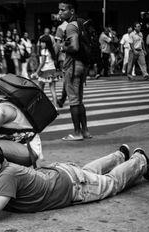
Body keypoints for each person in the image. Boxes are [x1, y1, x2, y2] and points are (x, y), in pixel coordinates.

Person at [0, 138, 149, 225]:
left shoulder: (7, 175)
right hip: (60, 173)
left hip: (74, 186)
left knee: (111, 184)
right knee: (88, 171)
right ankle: (118, 156)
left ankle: (139, 160)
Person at [58, 0, 91, 141]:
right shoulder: (80, 23)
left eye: (63, 10)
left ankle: (77, 133)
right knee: (79, 100)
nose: (60, 12)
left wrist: (62, 47)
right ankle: (85, 131)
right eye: (59, 10)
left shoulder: (71, 26)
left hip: (72, 66)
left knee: (73, 101)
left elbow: (75, 47)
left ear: (71, 11)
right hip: (82, 65)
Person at [32, 35, 59, 109]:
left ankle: (40, 106)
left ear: (47, 43)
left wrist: (36, 72)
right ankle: (55, 107)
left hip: (45, 71)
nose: (41, 44)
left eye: (43, 43)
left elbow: (42, 63)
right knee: (53, 89)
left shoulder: (43, 51)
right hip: (52, 70)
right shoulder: (52, 50)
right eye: (41, 43)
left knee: (40, 89)